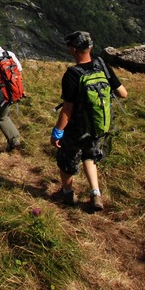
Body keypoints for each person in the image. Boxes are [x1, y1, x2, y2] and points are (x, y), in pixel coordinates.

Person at [51, 30, 128, 211]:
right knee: (89, 155)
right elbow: (123, 94)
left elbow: (67, 109)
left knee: (67, 159)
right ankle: (95, 194)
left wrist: (57, 132)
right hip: (98, 124)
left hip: (77, 127)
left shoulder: (72, 74)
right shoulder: (102, 65)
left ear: (73, 49)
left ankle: (68, 194)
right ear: (90, 47)